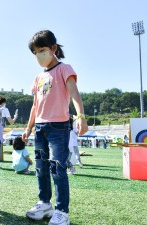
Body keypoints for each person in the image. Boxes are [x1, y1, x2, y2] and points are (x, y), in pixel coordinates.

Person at [21, 30, 88, 225]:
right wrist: (28, 128)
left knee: (58, 169)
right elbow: (35, 105)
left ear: (53, 48)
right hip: (40, 128)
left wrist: (81, 116)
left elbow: (75, 93)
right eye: (35, 52)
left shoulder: (64, 69)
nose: (39, 55)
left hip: (58, 127)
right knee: (40, 168)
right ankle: (44, 203)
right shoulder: (38, 77)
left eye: (42, 50)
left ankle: (62, 211)